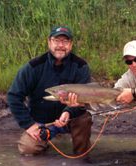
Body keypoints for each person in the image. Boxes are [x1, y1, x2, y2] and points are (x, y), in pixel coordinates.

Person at [7, 26, 92, 156]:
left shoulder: (81, 66)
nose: (60, 45)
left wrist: (68, 112)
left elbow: (84, 99)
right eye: (56, 41)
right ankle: (45, 140)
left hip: (70, 119)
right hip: (42, 122)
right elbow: (13, 96)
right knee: (28, 150)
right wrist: (29, 125)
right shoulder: (33, 67)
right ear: (49, 42)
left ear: (71, 44)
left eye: (65, 41)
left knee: (84, 117)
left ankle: (81, 156)